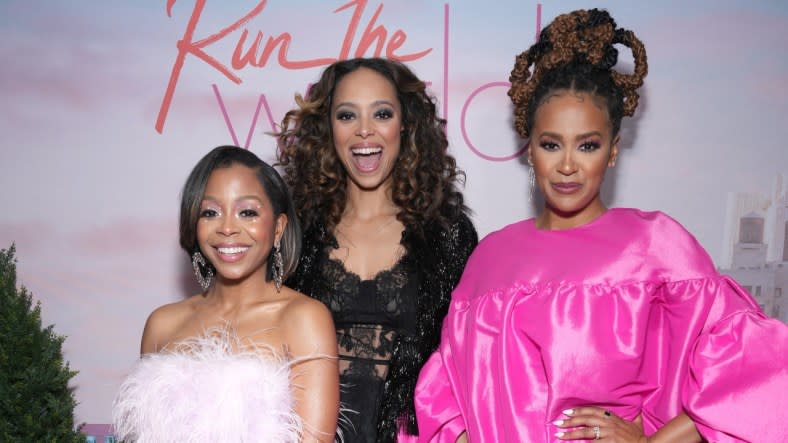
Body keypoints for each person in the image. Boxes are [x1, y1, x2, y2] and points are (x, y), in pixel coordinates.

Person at [414, 8, 788, 443]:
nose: (568, 165)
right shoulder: (490, 259)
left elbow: (754, 374)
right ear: (529, 149)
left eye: (587, 145)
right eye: (551, 144)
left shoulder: (657, 246)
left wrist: (650, 442)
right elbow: (448, 407)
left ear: (612, 151)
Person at [277, 58, 478, 442]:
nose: (365, 131)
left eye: (381, 113)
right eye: (347, 116)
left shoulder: (448, 236)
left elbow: (472, 362)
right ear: (328, 129)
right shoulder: (295, 234)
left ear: (405, 124)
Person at [112, 146, 339, 442]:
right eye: (211, 212)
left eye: (247, 212)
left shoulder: (304, 319)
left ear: (279, 227)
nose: (228, 228)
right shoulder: (162, 324)